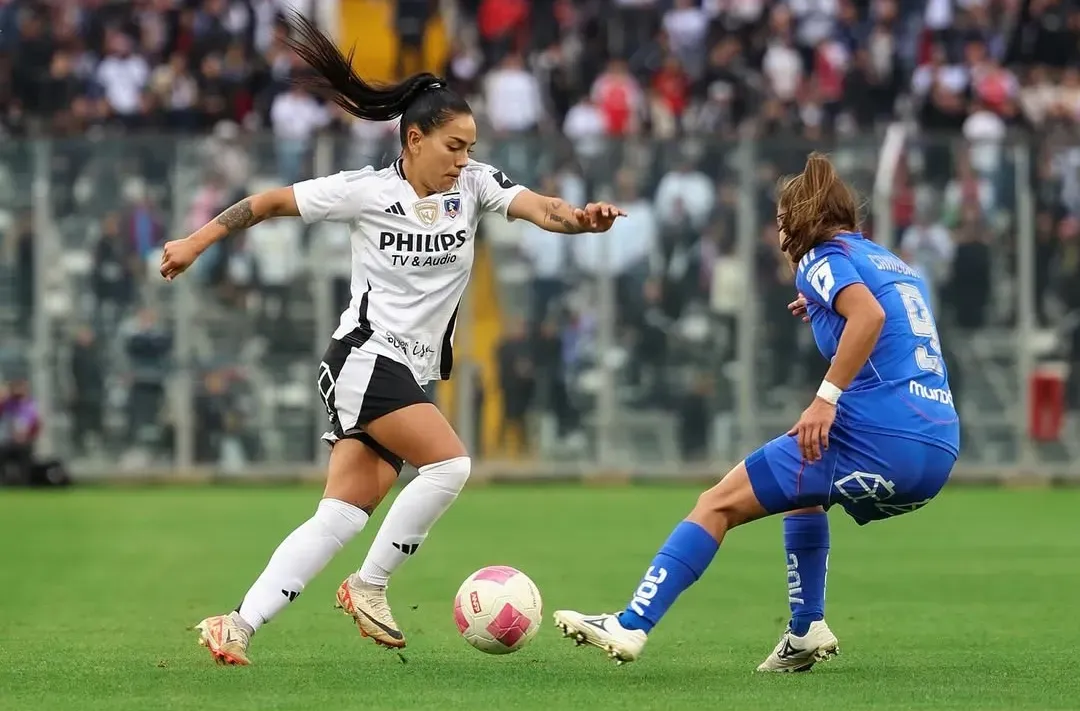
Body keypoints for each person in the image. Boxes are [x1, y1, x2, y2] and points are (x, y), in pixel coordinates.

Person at [159, 12, 625, 666]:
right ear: (414, 139)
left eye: (470, 147)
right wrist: (194, 242)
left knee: (341, 516)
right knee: (451, 464)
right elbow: (266, 203)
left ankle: (236, 623)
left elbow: (541, 208)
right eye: (454, 146)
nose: (463, 159)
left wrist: (580, 218)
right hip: (364, 356)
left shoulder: (474, 185)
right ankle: (369, 584)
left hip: (407, 370)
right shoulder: (365, 192)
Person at [553, 152, 960, 671]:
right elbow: (890, 322)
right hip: (937, 445)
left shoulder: (821, 258)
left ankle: (631, 623)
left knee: (716, 504)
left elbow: (869, 316)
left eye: (782, 223)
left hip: (879, 435)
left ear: (800, 223)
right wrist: (824, 306)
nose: (779, 237)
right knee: (804, 493)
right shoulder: (889, 262)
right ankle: (806, 628)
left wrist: (824, 399)